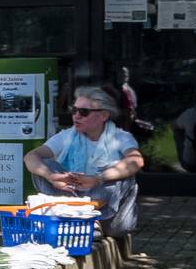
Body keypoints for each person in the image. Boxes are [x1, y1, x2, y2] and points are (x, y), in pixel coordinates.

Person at [23, 86, 147, 235]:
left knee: (118, 168)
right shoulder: (67, 136)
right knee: (43, 166)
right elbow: (30, 156)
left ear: (104, 115)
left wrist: (97, 179)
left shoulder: (120, 137)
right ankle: (73, 218)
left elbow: (136, 161)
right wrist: (50, 176)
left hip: (110, 216)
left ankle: (93, 221)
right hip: (73, 203)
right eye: (74, 110)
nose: (76, 116)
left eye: (83, 112)